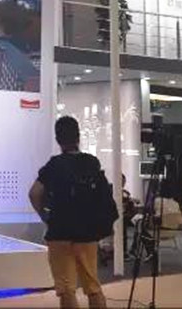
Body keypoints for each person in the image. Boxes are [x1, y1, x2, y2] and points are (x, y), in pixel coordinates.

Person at [29, 116, 107, 309]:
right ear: (78, 136)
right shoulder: (91, 162)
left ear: (58, 139)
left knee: (67, 289)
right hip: (87, 232)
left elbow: (34, 193)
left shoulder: (54, 165)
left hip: (60, 232)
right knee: (93, 287)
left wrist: (45, 216)